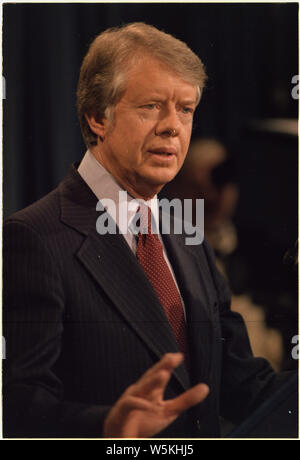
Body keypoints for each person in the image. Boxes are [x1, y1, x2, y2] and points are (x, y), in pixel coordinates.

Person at [3, 23, 290, 439]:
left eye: (186, 109)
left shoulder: (188, 235)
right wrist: (106, 427)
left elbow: (243, 385)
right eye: (153, 106)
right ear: (98, 117)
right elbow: (19, 407)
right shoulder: (34, 238)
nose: (173, 126)